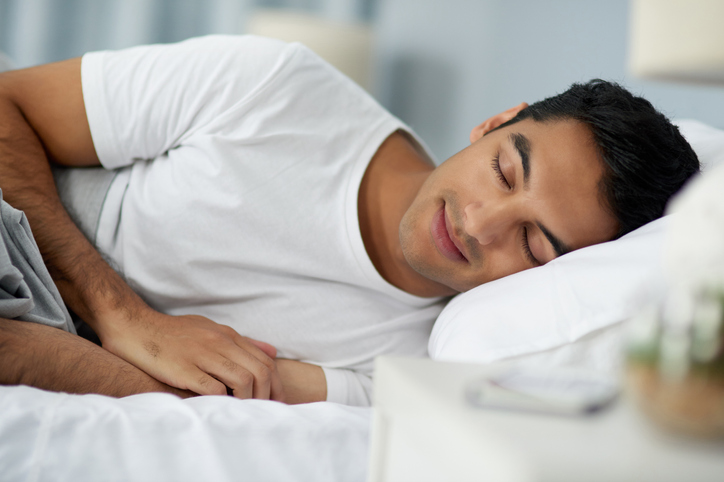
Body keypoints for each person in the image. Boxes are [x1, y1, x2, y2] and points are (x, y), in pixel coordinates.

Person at [0, 35, 699, 406]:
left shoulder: (417, 365)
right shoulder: (274, 87)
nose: (481, 224)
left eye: (536, 245)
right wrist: (125, 316)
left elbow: (192, 396)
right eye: (505, 172)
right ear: (496, 122)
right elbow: (9, 103)